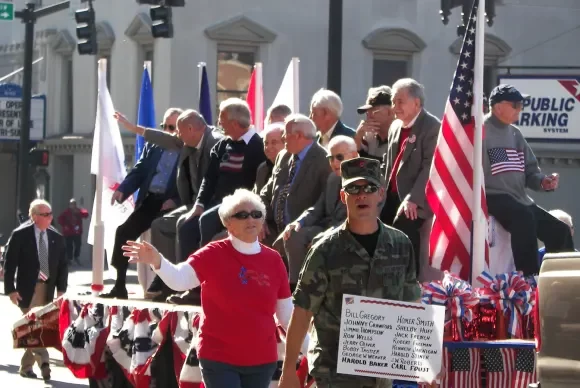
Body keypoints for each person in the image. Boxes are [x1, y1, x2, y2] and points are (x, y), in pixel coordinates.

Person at [121, 189, 307, 388]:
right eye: (242, 215)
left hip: (262, 360)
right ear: (228, 223)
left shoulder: (274, 260)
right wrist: (157, 261)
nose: (250, 219)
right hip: (219, 358)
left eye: (256, 214)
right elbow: (179, 279)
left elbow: (286, 316)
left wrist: (311, 350)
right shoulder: (212, 253)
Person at [278, 157, 422, 388]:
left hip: (382, 371)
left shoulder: (400, 244)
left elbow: (412, 303)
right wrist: (288, 372)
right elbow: (303, 312)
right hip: (335, 374)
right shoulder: (324, 250)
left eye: (369, 188)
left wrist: (428, 361)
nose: (361, 195)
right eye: (353, 189)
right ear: (343, 196)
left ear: (381, 194)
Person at [115, 108, 223, 300]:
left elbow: (214, 182)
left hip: (203, 204)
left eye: (176, 129)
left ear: (190, 128)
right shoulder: (184, 141)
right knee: (142, 228)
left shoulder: (214, 141)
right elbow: (159, 143)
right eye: (167, 127)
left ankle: (185, 282)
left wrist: (188, 204)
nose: (174, 134)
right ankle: (163, 278)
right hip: (173, 202)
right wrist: (132, 128)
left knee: (182, 224)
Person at [484, 84, 574, 276]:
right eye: (515, 104)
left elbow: (531, 172)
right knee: (524, 218)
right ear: (498, 107)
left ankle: (561, 281)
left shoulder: (516, 133)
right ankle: (528, 279)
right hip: (492, 195)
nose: (520, 109)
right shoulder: (480, 131)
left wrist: (543, 182)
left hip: (519, 198)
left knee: (560, 231)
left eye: (521, 104)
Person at [102, 108, 183, 299]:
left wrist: (175, 200)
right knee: (123, 232)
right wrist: (123, 189)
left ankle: (163, 282)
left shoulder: (188, 149)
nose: (167, 131)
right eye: (165, 126)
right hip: (150, 200)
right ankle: (119, 284)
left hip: (172, 203)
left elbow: (193, 182)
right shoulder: (154, 146)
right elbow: (140, 170)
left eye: (172, 127)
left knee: (160, 229)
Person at [282, 135, 358, 291]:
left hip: (352, 234)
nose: (334, 163)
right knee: (293, 235)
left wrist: (325, 237)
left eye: (339, 157)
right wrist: (299, 222)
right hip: (327, 227)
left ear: (355, 156)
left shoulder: (365, 181)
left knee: (319, 241)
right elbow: (317, 209)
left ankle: (319, 290)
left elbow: (356, 220)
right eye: (331, 158)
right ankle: (296, 288)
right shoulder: (333, 179)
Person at [381, 78, 440, 276]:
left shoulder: (432, 127)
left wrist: (413, 198)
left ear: (416, 103)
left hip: (417, 197)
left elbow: (429, 167)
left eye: (400, 101)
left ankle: (410, 285)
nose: (395, 107)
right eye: (393, 101)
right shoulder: (395, 127)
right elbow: (388, 164)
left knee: (403, 229)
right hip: (390, 196)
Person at [4, 199, 67, 382]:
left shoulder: (57, 237)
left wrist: (61, 290)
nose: (50, 218)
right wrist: (10, 290)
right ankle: (44, 363)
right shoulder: (20, 235)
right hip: (26, 289)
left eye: (51, 214)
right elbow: (10, 264)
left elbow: (63, 266)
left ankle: (26, 367)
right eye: (45, 214)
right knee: (35, 325)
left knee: (35, 327)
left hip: (47, 289)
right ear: (34, 216)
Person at [259, 114, 331, 247]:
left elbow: (325, 205)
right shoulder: (283, 156)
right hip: (272, 227)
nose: (283, 137)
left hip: (300, 229)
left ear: (298, 135)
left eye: (285, 133)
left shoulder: (324, 160)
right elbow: (265, 193)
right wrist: (259, 217)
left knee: (291, 241)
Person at [354, 86, 396, 161]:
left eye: (373, 111)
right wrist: (358, 137)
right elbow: (355, 164)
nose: (368, 116)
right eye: (367, 112)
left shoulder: (401, 137)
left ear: (390, 112)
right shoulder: (368, 135)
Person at [254, 122, 285, 194]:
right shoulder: (262, 168)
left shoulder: (292, 167)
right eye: (266, 143)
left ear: (285, 143)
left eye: (274, 142)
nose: (268, 147)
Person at [57, 198, 89, 265]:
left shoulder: (78, 211)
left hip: (77, 232)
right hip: (68, 232)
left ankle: (76, 256)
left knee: (78, 245)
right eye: (71, 204)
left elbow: (86, 215)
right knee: (69, 246)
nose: (72, 206)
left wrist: (80, 210)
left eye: (74, 204)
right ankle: (69, 259)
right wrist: (64, 225)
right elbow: (60, 219)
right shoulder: (66, 212)